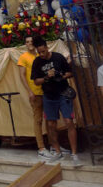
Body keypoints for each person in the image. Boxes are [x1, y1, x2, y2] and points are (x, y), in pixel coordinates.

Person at [30, 35, 82, 166]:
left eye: (43, 51)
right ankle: (57, 151)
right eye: (39, 52)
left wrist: (60, 75)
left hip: (63, 93)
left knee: (69, 121)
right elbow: (36, 81)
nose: (42, 54)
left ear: (47, 48)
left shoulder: (58, 57)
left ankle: (74, 154)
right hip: (48, 96)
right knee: (51, 125)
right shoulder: (37, 62)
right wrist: (47, 77)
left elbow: (70, 73)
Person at [16, 36, 48, 159]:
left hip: (47, 91)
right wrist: (29, 91)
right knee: (38, 120)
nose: (29, 44)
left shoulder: (40, 55)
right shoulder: (23, 57)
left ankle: (54, 145)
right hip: (35, 92)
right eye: (27, 42)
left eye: (31, 42)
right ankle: (41, 147)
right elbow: (22, 76)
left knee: (50, 120)